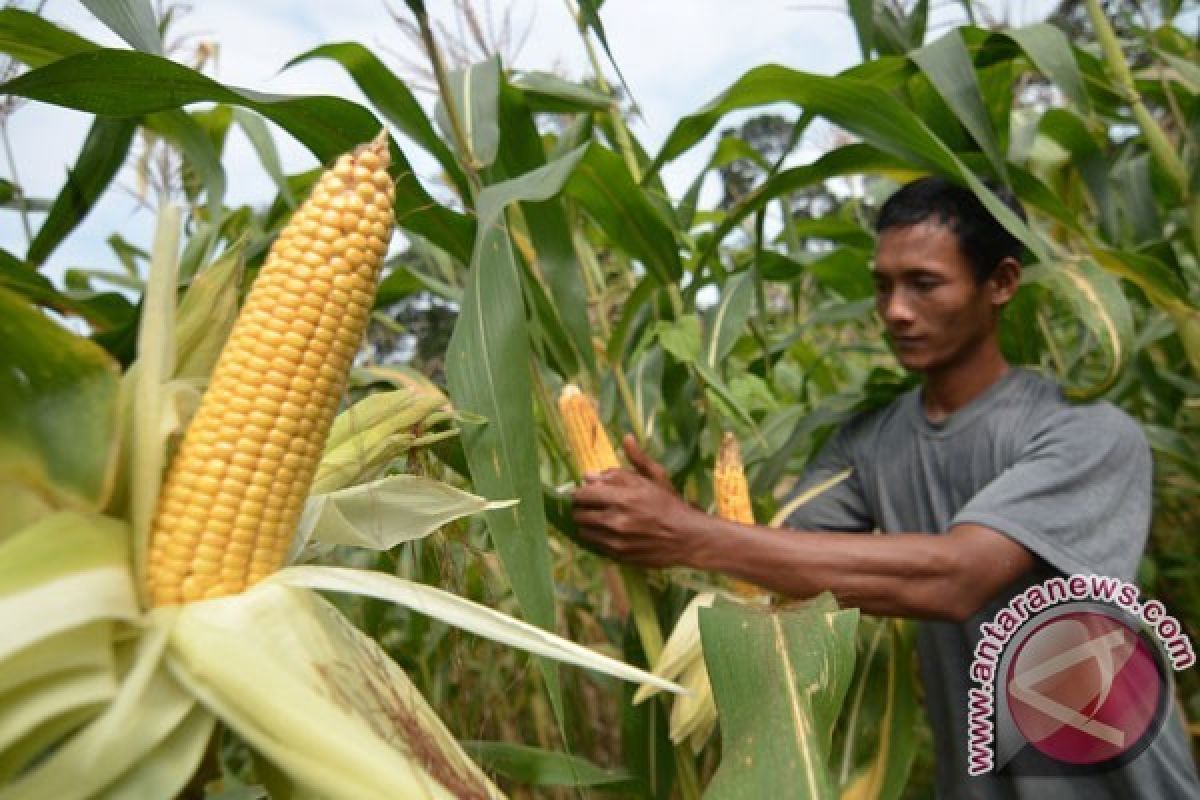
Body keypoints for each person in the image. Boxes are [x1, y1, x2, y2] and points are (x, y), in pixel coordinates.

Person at [570, 176, 1200, 798]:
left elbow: (958, 577)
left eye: (925, 284)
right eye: (883, 286)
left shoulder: (1086, 434)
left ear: (1002, 283)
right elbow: (771, 559)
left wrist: (688, 533)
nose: (896, 310)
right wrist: (672, 518)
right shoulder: (867, 447)